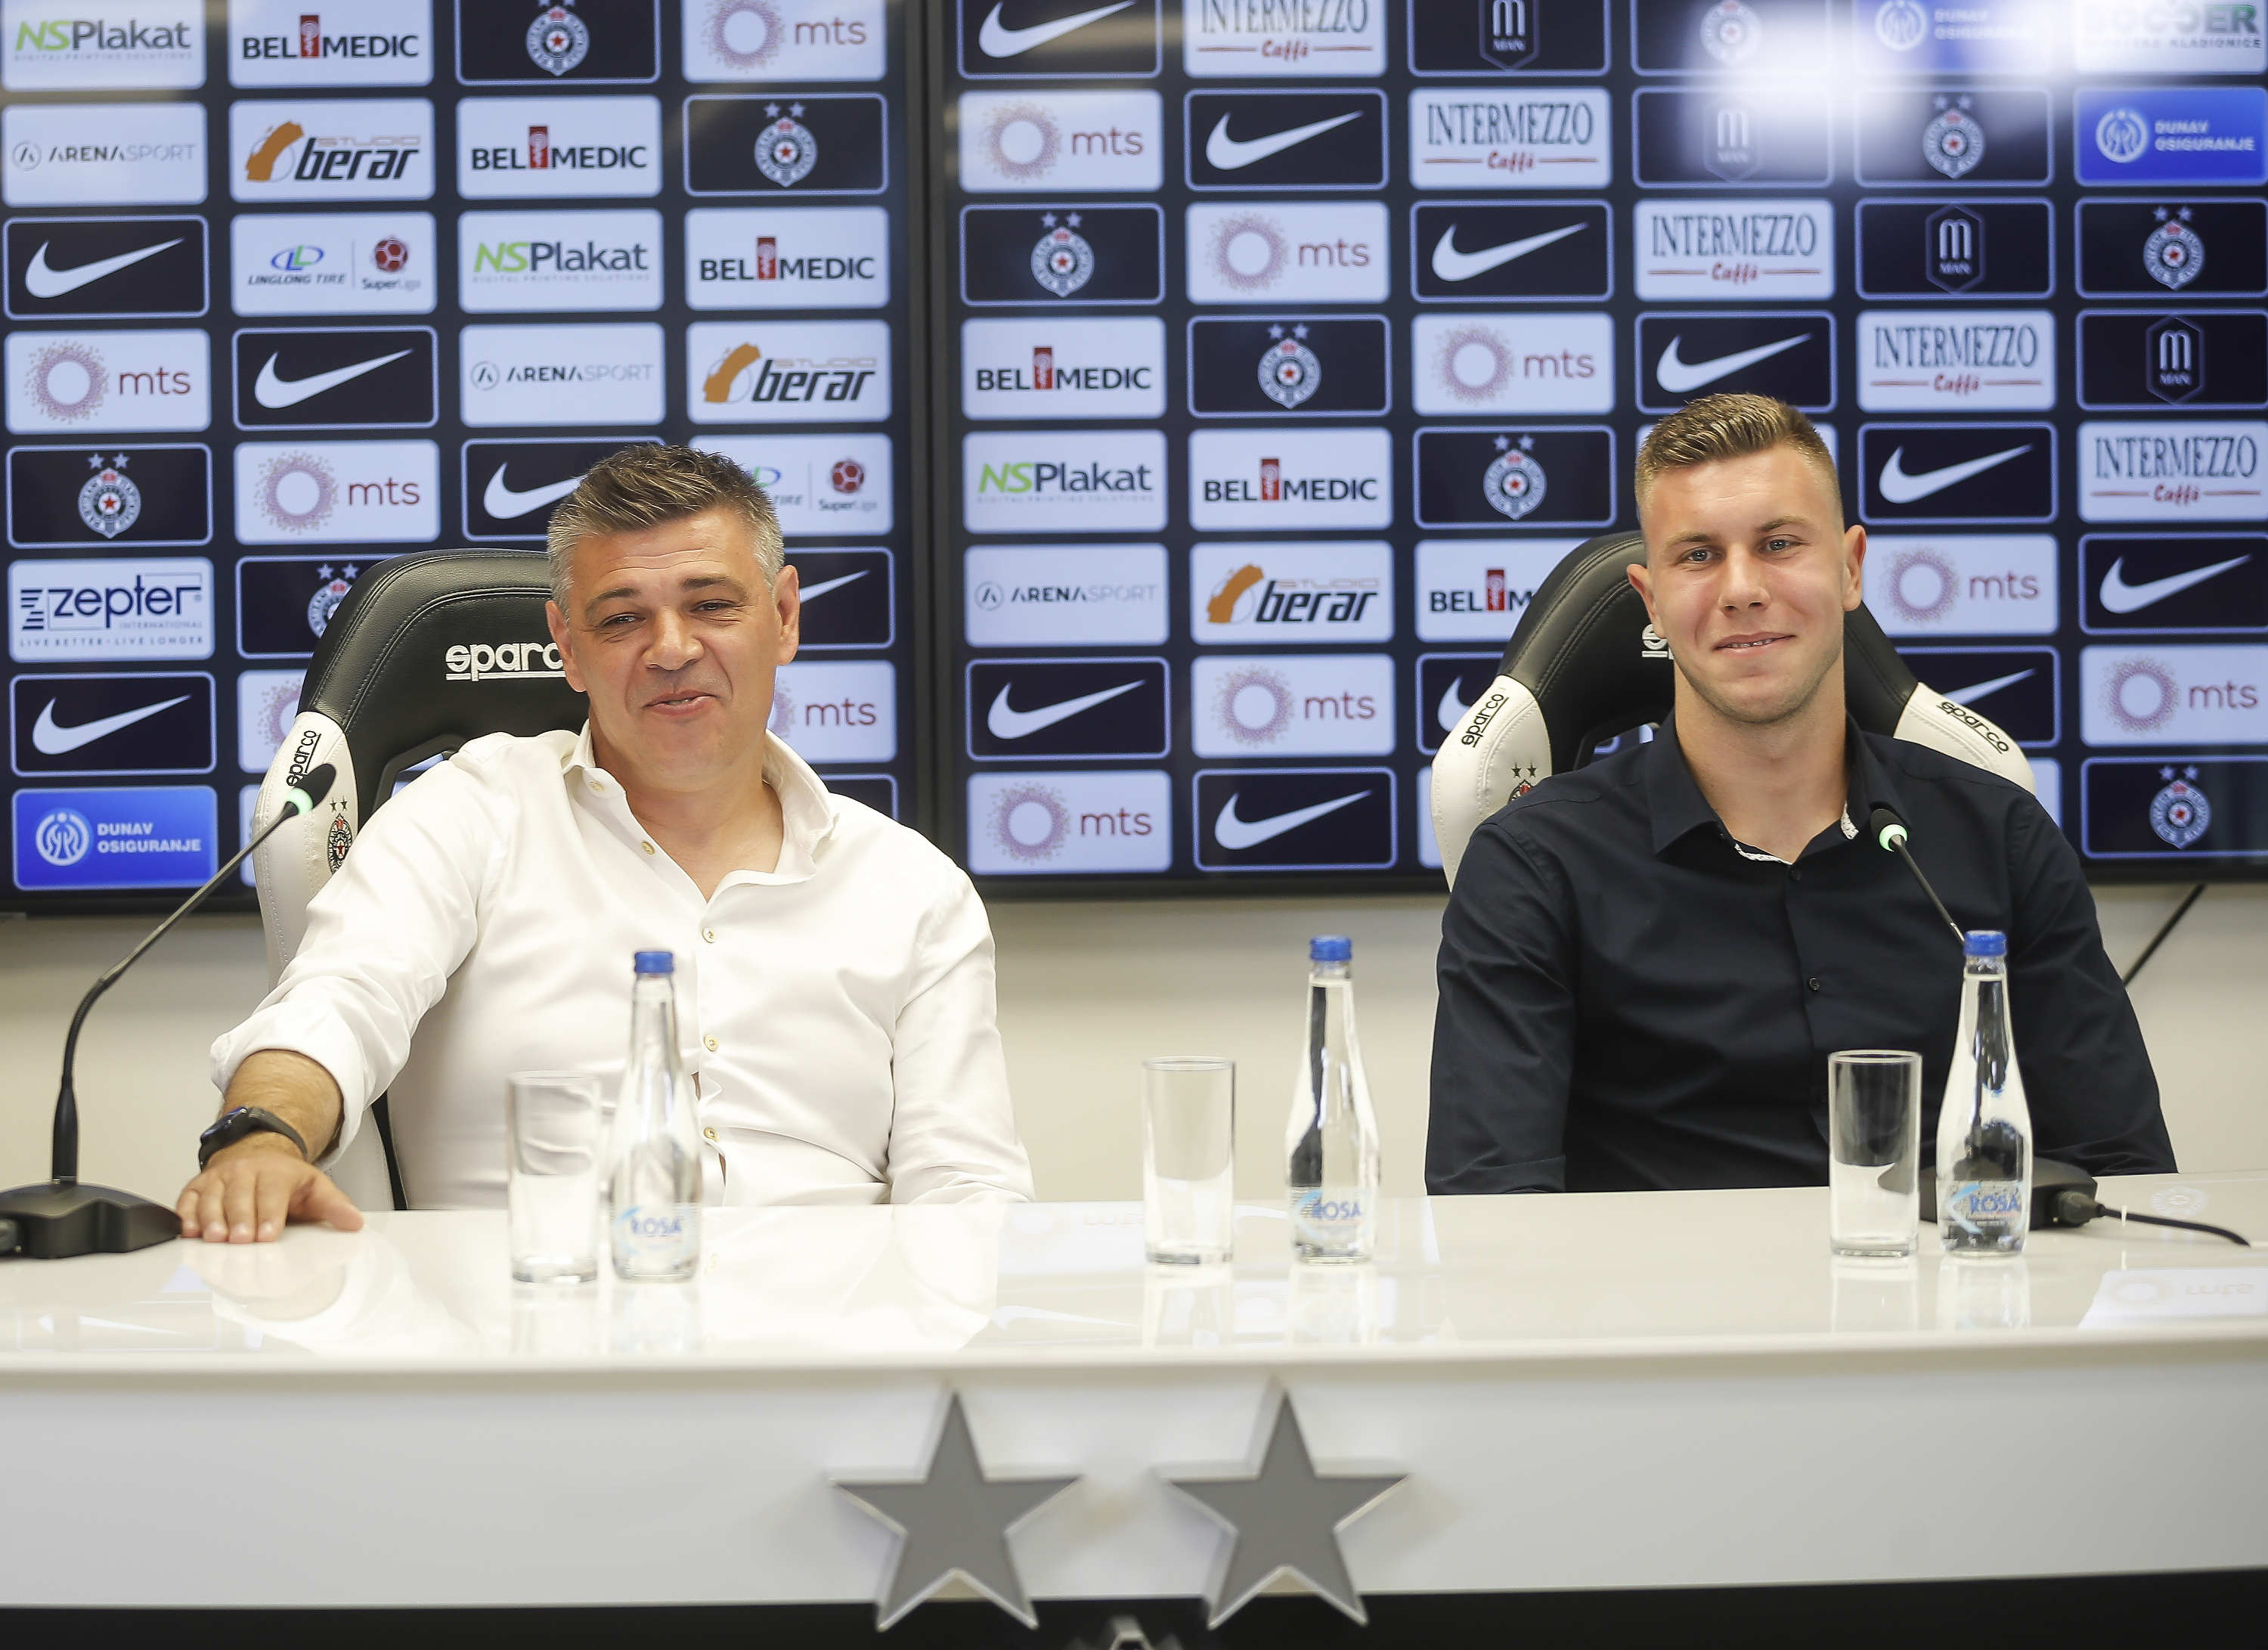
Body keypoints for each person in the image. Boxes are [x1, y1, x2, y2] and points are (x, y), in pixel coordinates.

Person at [180, 445, 1033, 1243]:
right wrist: (262, 1137)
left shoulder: (913, 888)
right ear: (569, 650)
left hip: (835, 1366)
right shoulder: (472, 814)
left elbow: (968, 1192)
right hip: (527, 1361)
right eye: (623, 619)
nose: (671, 649)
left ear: (782, 617)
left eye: (711, 605)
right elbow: (336, 1003)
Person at [1428, 394, 2175, 1194]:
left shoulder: (2001, 837)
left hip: (1947, 1309)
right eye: (1698, 556)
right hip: (1657, 1311)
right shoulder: (1531, 867)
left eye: (1779, 543)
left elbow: (2124, 1177)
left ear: (1851, 568)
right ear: (1651, 602)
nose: (1743, 588)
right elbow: (1490, 1211)